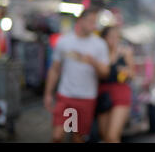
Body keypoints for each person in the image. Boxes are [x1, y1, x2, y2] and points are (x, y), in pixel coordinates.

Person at [43, 8, 110, 143]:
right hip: (65, 95)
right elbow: (55, 69)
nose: (93, 25)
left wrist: (94, 63)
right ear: (80, 21)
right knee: (57, 136)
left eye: (95, 22)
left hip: (86, 97)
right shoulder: (64, 41)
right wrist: (48, 93)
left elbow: (105, 73)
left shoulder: (99, 44)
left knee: (78, 137)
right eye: (90, 21)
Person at [97, 26, 135, 143]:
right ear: (104, 38)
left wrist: (125, 71)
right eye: (111, 37)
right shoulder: (99, 54)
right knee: (104, 135)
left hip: (120, 92)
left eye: (116, 37)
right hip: (103, 93)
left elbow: (132, 74)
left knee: (112, 136)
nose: (114, 40)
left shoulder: (125, 52)